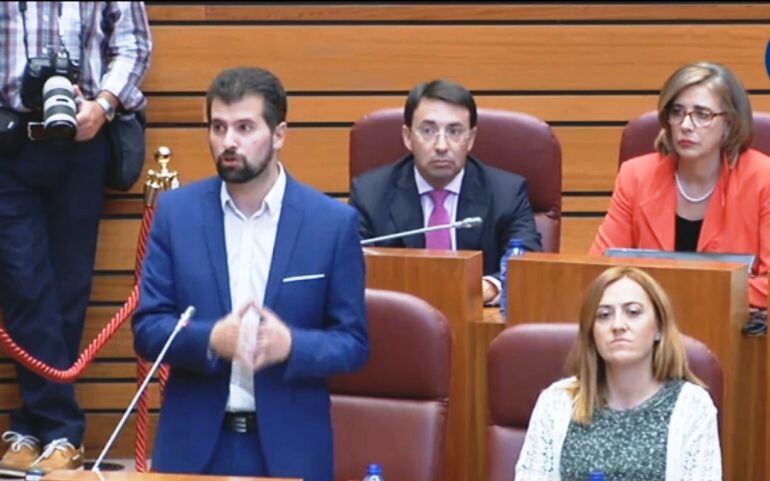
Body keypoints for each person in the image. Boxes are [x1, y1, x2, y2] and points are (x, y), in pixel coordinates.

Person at [132, 67, 369, 481]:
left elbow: (353, 343)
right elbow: (148, 328)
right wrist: (208, 339)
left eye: (244, 127)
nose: (228, 142)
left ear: (279, 134)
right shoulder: (176, 215)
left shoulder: (331, 224)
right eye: (218, 127)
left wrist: (292, 345)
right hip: (193, 447)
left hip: (291, 447)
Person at [0, 2, 151, 474]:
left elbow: (133, 43)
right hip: (8, 141)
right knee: (24, 285)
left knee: (68, 288)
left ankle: (32, 428)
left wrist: (103, 106)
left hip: (82, 144)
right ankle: (62, 429)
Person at [590, 62, 770, 309]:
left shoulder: (763, 179)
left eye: (702, 114)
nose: (685, 125)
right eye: (677, 112)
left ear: (729, 125)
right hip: (649, 333)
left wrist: (687, 290)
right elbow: (599, 269)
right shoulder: (635, 175)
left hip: (732, 332)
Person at [515, 266, 721, 480]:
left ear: (659, 326)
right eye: (604, 315)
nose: (618, 325)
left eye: (633, 312)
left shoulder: (692, 407)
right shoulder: (557, 402)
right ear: (591, 332)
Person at [348, 79, 542, 305]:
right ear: (408, 137)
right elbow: (351, 265)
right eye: (428, 131)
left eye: (454, 131)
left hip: (478, 322)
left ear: (470, 139)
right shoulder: (370, 194)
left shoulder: (507, 193)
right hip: (401, 323)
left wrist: (490, 285)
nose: (441, 145)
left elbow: (527, 262)